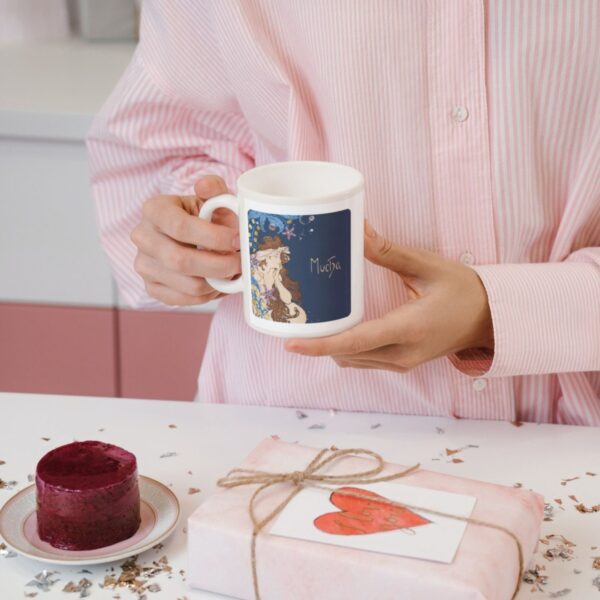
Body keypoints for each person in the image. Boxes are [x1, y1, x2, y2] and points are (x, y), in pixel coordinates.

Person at [87, 1, 600, 424]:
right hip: (287, 424)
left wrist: (500, 312)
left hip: (571, 435)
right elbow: (166, 146)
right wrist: (189, 240)